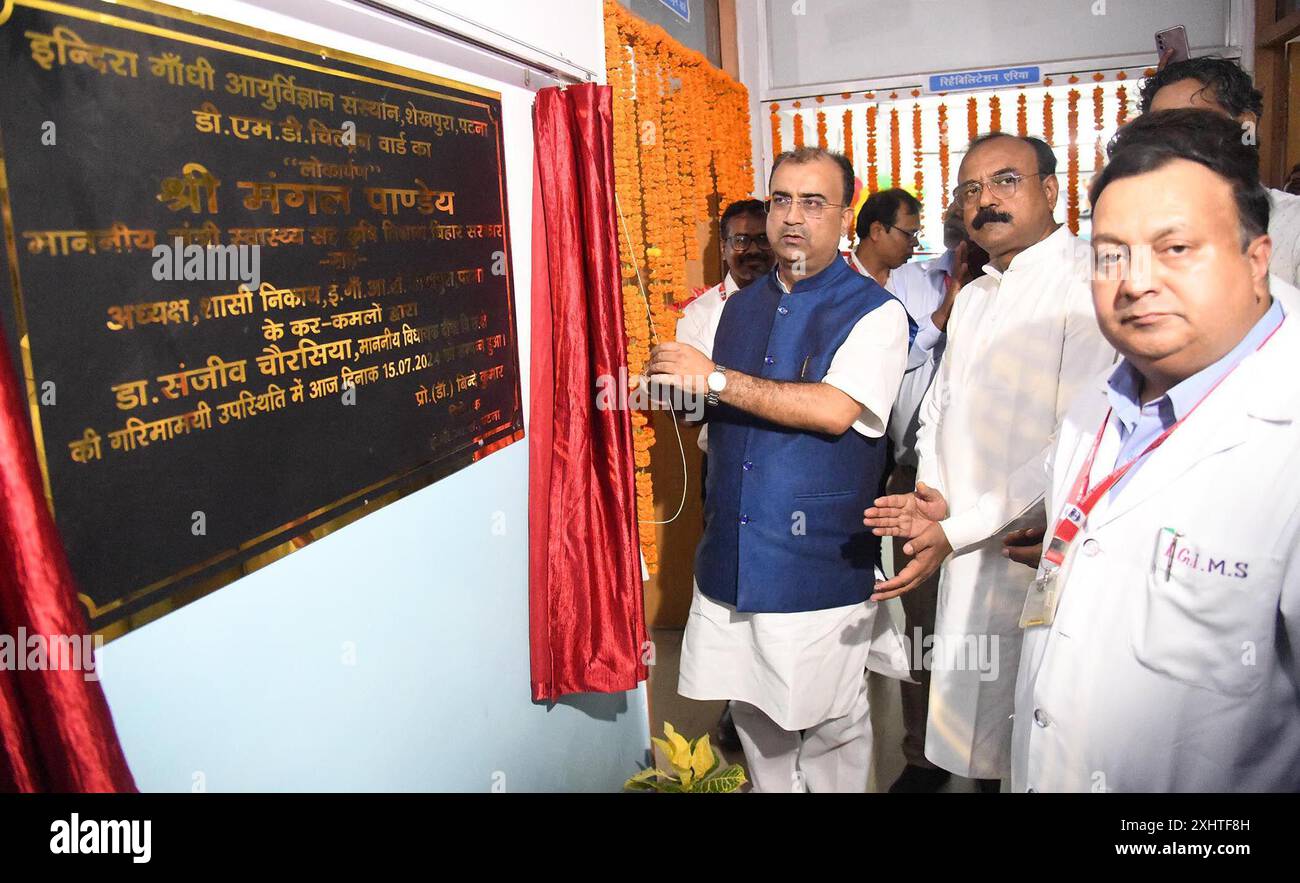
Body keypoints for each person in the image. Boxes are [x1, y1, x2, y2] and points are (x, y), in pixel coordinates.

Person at [1012, 109, 1300, 791]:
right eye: (1112, 254)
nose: (1135, 281)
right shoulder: (1100, 402)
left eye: (1175, 249)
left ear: (1257, 260)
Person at [648, 147, 913, 793]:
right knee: (755, 721)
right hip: (733, 555)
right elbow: (719, 413)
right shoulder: (740, 306)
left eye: (813, 201)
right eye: (781, 199)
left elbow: (833, 410)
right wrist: (681, 392)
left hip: (816, 565)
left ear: (846, 215)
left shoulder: (875, 311)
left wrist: (710, 377)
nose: (793, 217)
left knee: (832, 733)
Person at [863, 133, 1116, 790]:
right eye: (971, 189)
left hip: (1026, 543)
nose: (986, 200)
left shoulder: (1084, 283)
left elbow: (1074, 443)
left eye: (1006, 181)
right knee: (969, 732)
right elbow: (941, 407)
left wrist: (958, 526)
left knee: (1034, 732)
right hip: (959, 540)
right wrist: (931, 498)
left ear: (1052, 190)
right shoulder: (975, 295)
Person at [674, 198, 775, 752]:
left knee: (778, 581)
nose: (751, 250)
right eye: (740, 240)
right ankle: (740, 705)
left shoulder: (796, 301)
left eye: (761, 238)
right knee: (731, 587)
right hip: (728, 465)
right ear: (725, 246)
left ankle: (790, 695)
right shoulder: (702, 314)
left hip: (789, 466)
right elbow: (688, 397)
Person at [1140, 56, 1300, 290]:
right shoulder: (1140, 230)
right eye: (1159, 129)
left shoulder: (1293, 226)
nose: (1174, 141)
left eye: (1192, 124)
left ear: (1246, 125)